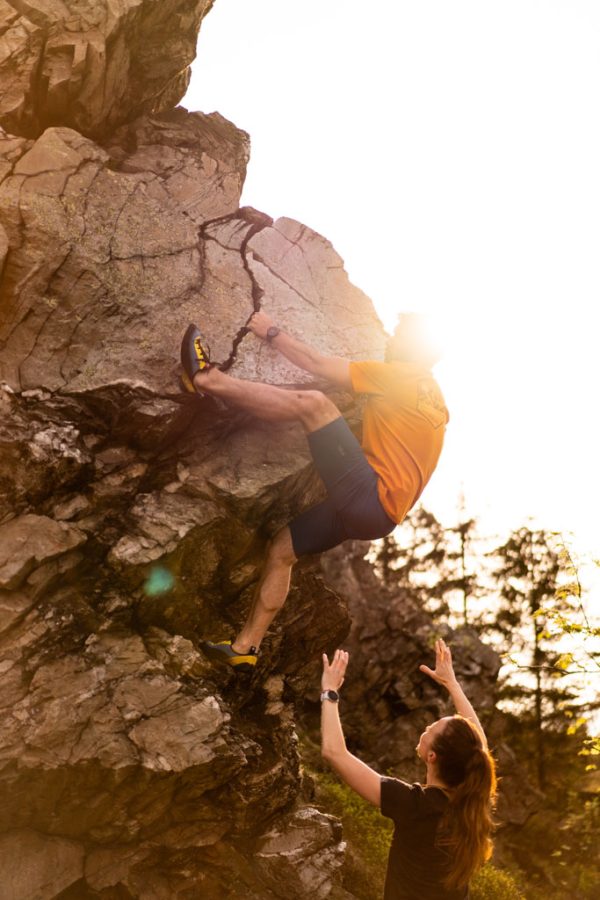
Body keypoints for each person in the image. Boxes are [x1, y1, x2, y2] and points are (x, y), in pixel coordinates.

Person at [180, 310, 449, 672]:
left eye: (398, 336)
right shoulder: (435, 399)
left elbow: (315, 363)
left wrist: (270, 331)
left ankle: (206, 380)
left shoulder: (397, 376)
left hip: (369, 494)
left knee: (315, 405)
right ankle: (246, 646)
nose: (389, 340)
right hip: (380, 516)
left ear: (410, 348)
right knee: (282, 549)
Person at [320, 639, 497, 899]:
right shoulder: (471, 806)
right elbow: (477, 746)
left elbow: (334, 752)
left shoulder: (415, 806)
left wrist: (329, 692)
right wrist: (451, 683)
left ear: (432, 756)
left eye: (431, 728)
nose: (426, 727)